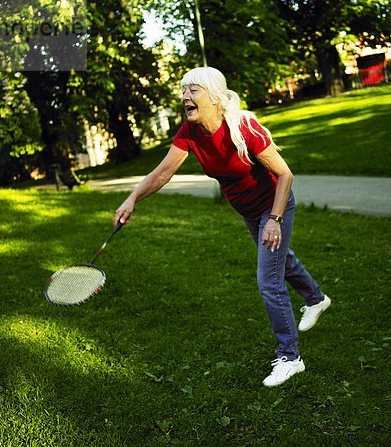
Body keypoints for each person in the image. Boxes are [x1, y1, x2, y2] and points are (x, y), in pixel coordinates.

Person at [114, 67, 331, 387]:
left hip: (274, 206)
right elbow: (162, 173)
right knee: (279, 262)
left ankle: (290, 356)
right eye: (184, 91)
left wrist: (274, 219)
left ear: (215, 98)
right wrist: (132, 198)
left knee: (268, 281)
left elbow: (285, 174)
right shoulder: (189, 133)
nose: (185, 97)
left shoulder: (244, 128)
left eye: (193, 90)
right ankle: (315, 298)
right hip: (247, 209)